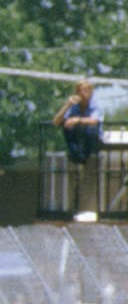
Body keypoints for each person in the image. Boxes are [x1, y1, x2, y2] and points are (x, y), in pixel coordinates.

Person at [56, 79, 105, 214]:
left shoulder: (95, 104)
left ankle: (84, 155)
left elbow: (94, 120)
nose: (83, 93)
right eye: (81, 90)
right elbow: (57, 121)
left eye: (86, 90)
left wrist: (77, 120)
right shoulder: (74, 106)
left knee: (88, 128)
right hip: (79, 139)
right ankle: (77, 154)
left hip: (93, 138)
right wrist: (67, 105)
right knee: (66, 128)